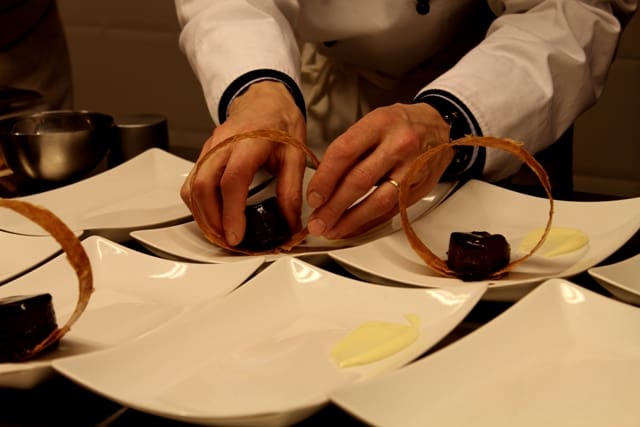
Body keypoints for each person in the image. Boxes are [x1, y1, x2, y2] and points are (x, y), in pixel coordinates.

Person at [175, 0, 637, 247]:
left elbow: (572, 9)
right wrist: (257, 87)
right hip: (328, 91)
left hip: (502, 90)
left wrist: (451, 116)